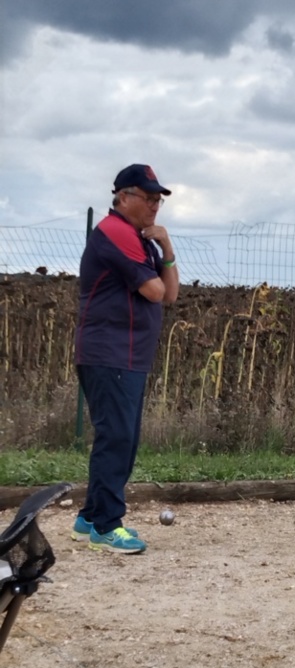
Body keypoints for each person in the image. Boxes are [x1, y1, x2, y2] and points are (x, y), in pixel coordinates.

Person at [72, 164, 179, 552]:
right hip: (110, 352)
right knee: (117, 438)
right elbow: (154, 291)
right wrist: (161, 259)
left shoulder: (142, 239)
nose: (154, 205)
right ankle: (106, 524)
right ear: (123, 196)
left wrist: (166, 248)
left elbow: (171, 293)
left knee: (122, 438)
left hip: (127, 354)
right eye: (148, 197)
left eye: (158, 200)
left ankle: (88, 517)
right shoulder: (116, 232)